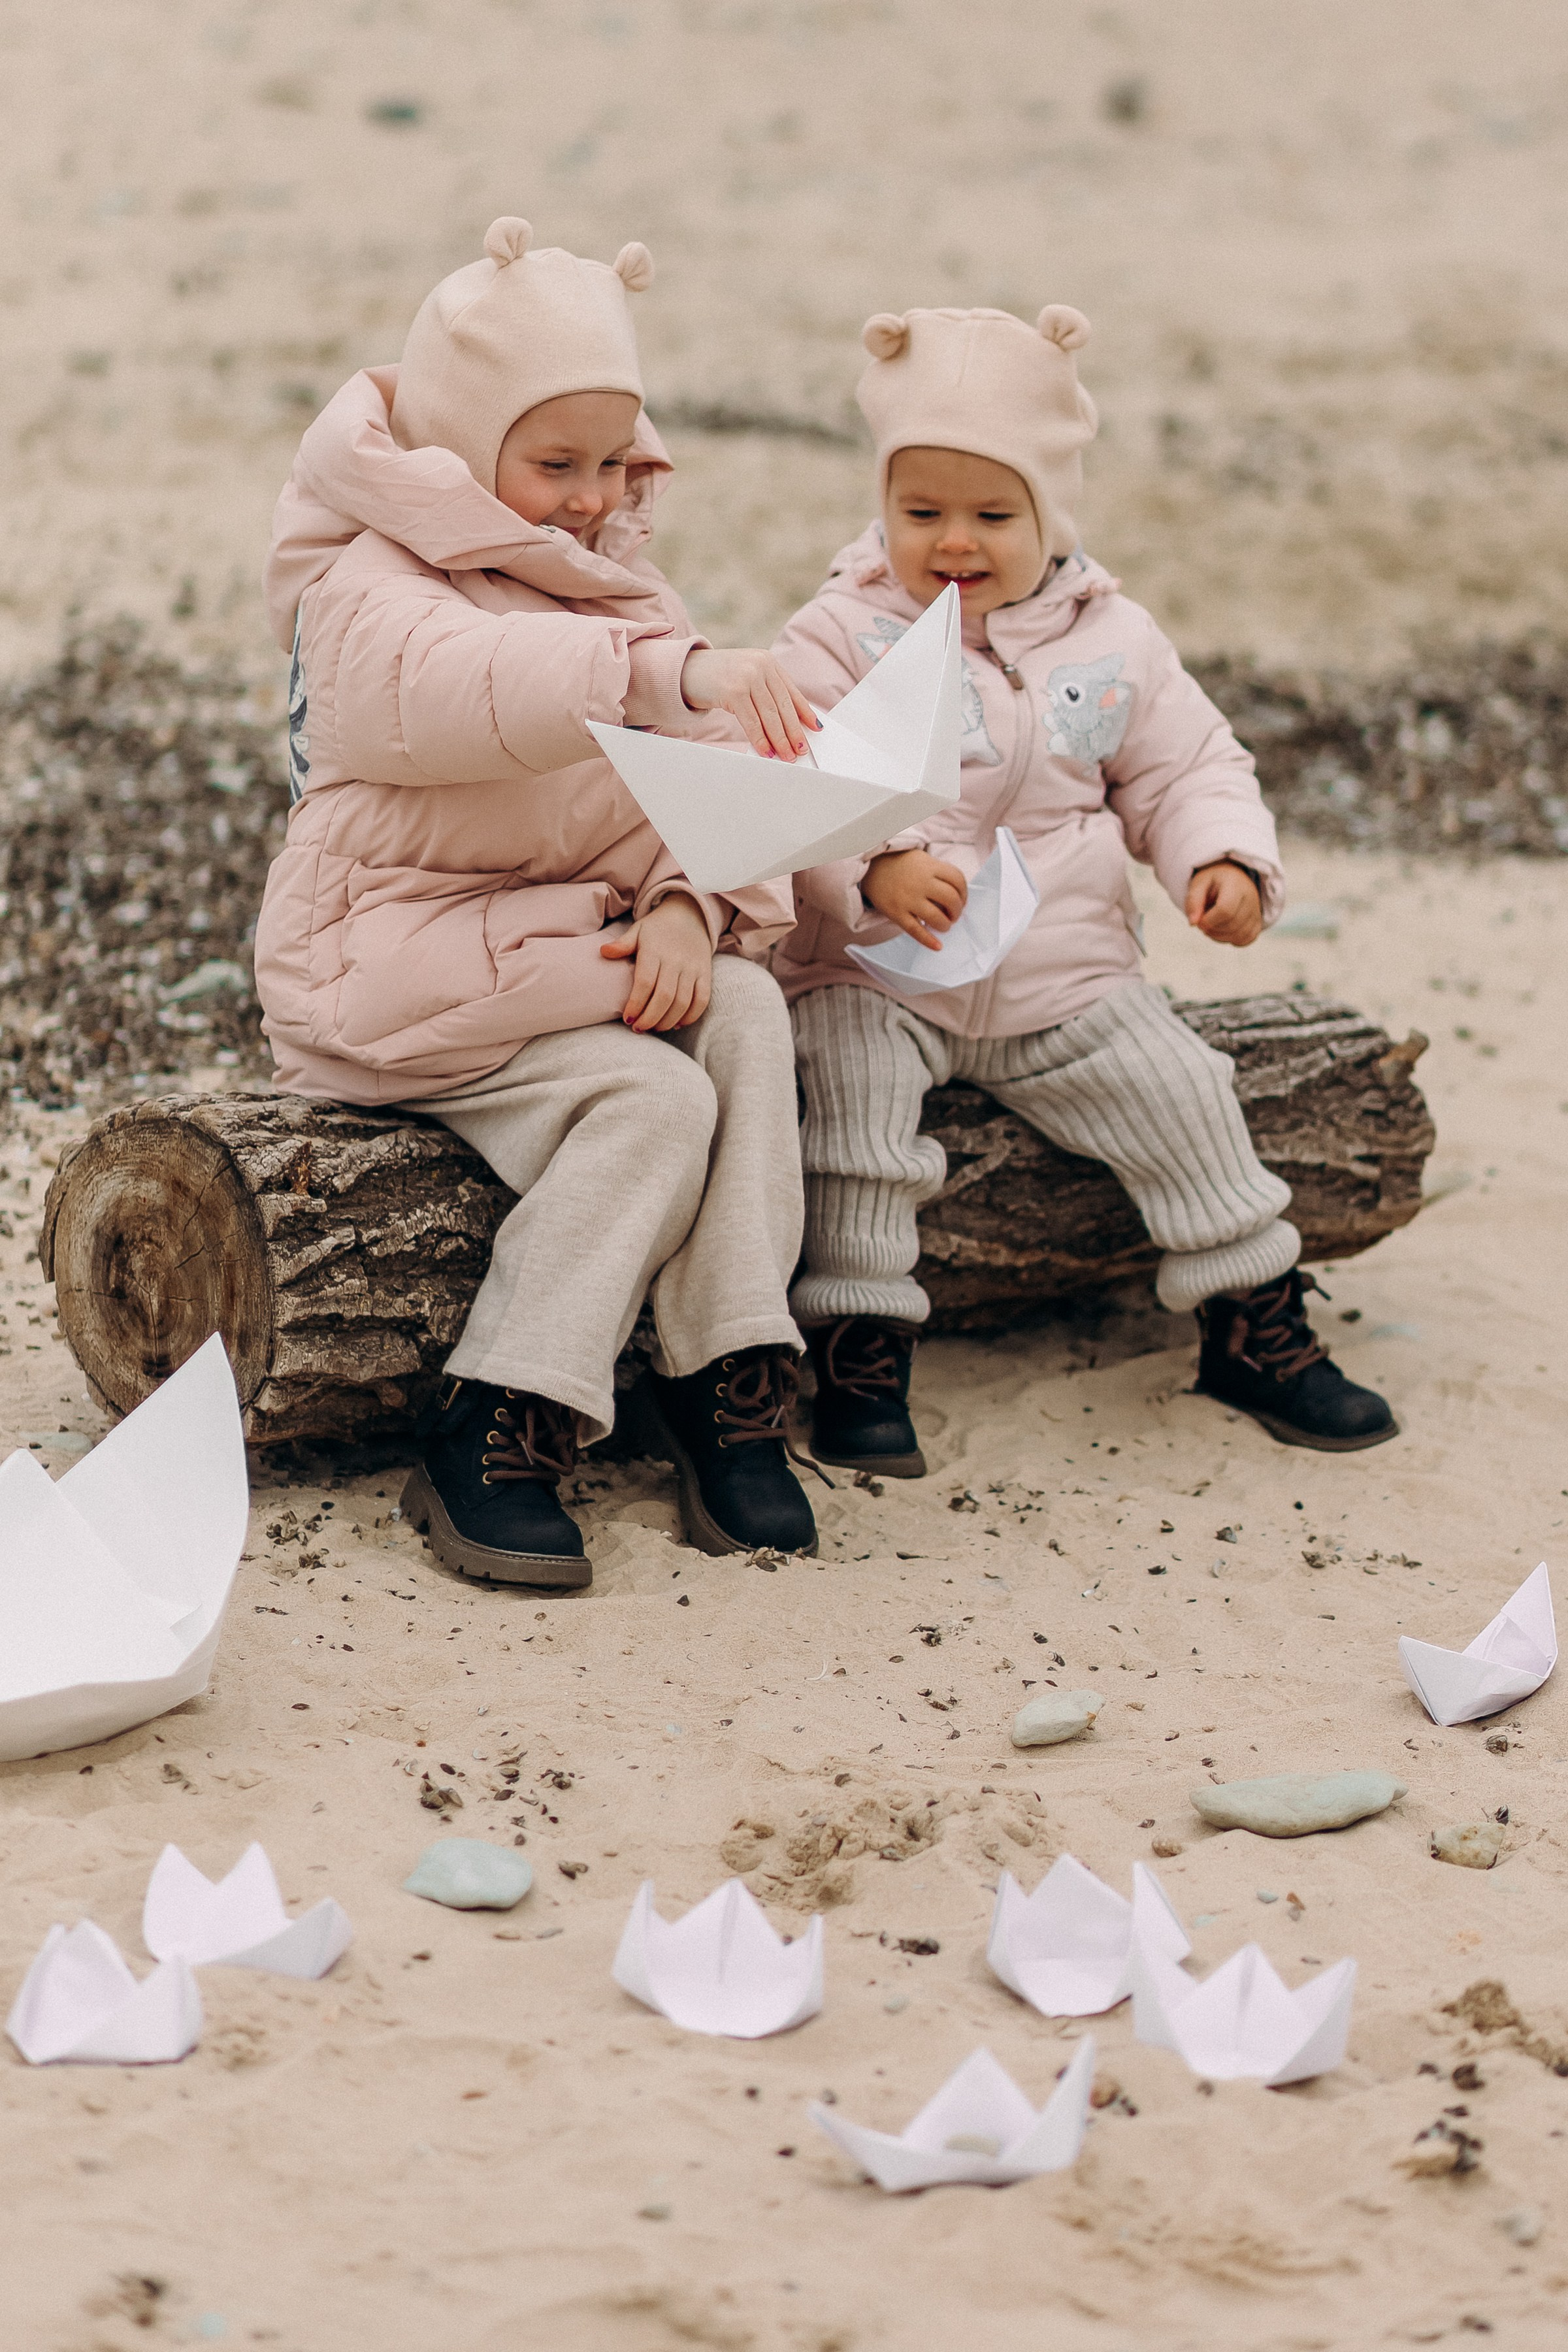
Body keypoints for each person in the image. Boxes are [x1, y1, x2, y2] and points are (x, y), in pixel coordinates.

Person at [254, 218, 823, 1590]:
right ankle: (502, 1408)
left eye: (610, 462)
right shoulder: (369, 586)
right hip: (390, 963)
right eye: (551, 463)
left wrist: (693, 900)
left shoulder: (617, 586)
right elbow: (468, 690)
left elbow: (703, 781)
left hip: (552, 951)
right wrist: (658, 673)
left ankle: (720, 1365)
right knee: (658, 1100)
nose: (586, 495)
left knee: (744, 1003)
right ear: (457, 451)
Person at [770, 302, 1396, 1474]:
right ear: (883, 507)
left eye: (993, 514)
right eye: (922, 513)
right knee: (849, 1113)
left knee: (1186, 1091)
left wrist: (1222, 861)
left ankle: (1251, 1319)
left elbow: (1186, 764)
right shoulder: (843, 634)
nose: (955, 542)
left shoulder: (1114, 640)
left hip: (1060, 963)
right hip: (880, 970)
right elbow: (791, 776)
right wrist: (871, 864)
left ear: (1051, 512)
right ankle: (858, 1346)